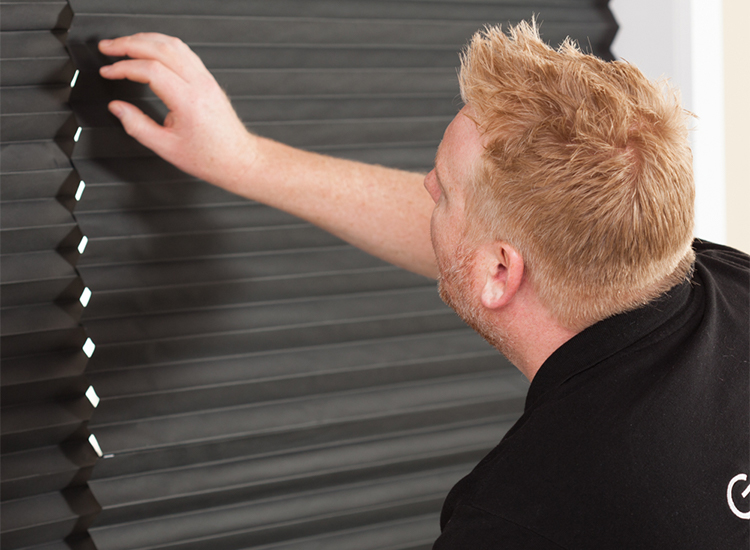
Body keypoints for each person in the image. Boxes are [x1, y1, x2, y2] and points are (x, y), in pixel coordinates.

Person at [98, 21, 749, 549]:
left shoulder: (531, 515)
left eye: (441, 192)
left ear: (501, 272)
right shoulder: (715, 278)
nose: (425, 191)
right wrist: (244, 159)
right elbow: (494, 243)